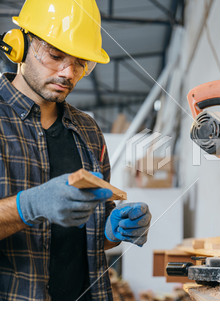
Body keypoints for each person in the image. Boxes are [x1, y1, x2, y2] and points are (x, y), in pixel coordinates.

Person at [0, 0, 151, 301]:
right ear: (19, 45)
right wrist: (27, 206)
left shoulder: (89, 131)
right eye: (55, 55)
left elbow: (93, 236)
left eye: (81, 62)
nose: (68, 72)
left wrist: (111, 231)